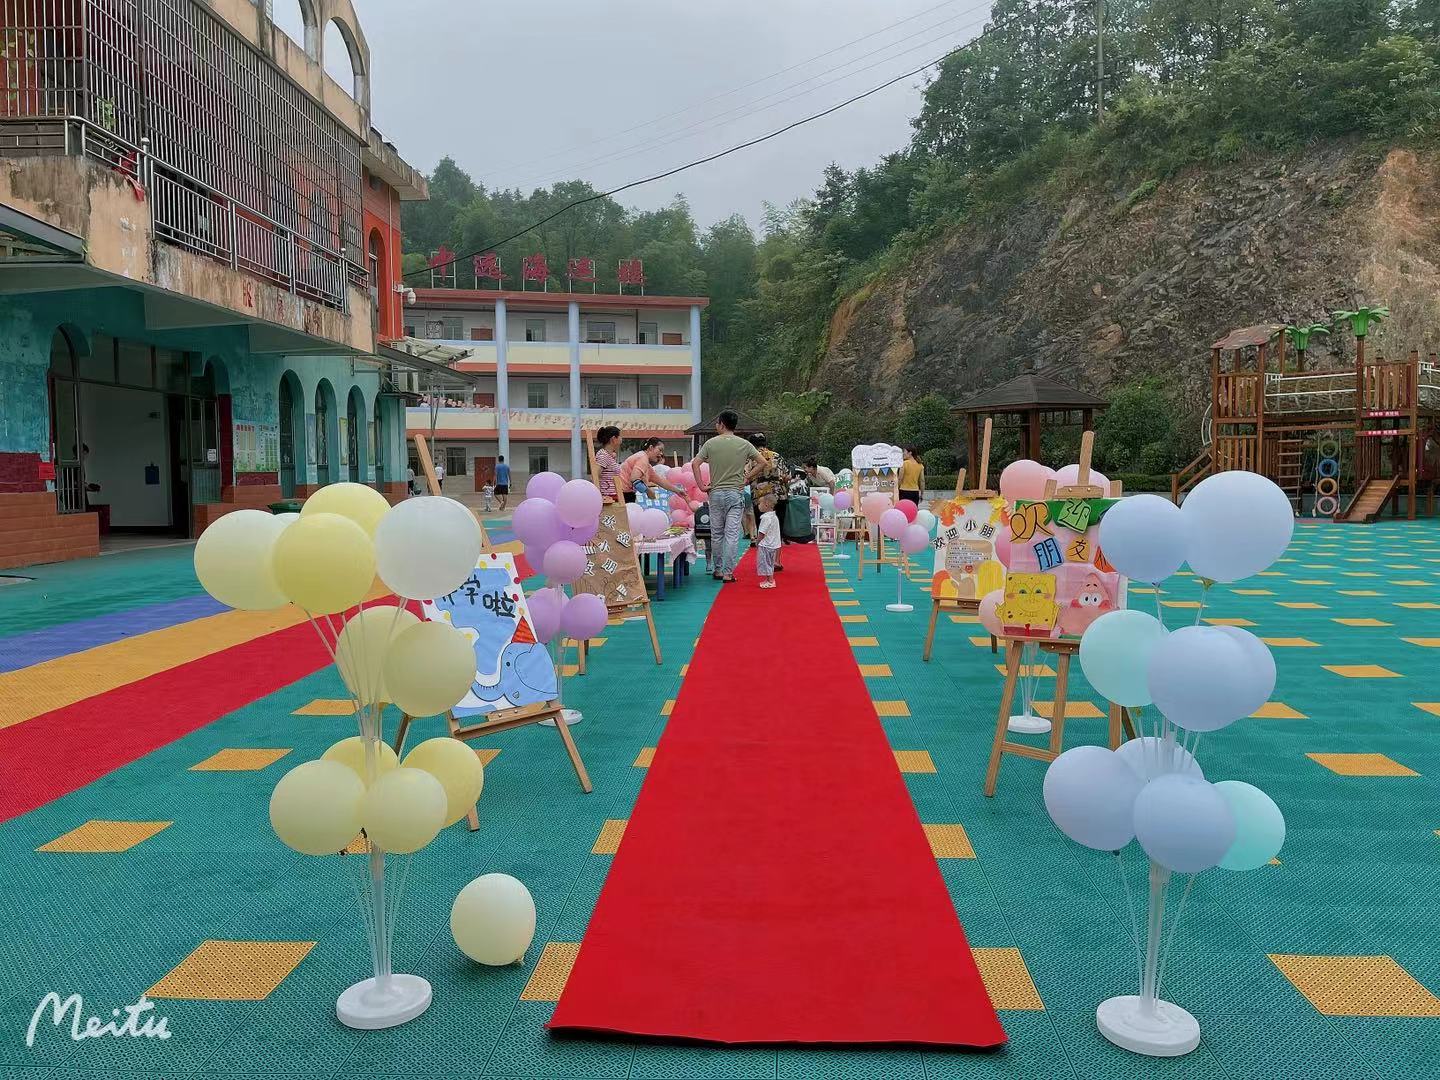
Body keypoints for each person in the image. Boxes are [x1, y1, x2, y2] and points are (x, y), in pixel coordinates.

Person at [692, 410, 760, 583]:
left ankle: (718, 569)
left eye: (717, 423)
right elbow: (763, 463)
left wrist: (701, 486)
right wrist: (746, 478)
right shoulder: (744, 444)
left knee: (717, 534)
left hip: (715, 493)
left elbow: (695, 464)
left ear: (722, 424)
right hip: (735, 493)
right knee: (731, 535)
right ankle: (729, 573)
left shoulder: (710, 444)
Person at [744, 433, 789, 570]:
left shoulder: (750, 458)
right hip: (779, 497)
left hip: (760, 499)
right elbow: (786, 476)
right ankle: (776, 561)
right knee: (777, 529)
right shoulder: (777, 456)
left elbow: (745, 477)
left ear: (751, 445)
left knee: (763, 529)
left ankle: (766, 561)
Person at [619, 436, 687, 503]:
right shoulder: (643, 458)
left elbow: (660, 481)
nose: (661, 454)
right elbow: (634, 479)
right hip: (622, 493)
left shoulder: (646, 463)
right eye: (660, 450)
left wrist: (677, 490)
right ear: (651, 447)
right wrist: (648, 491)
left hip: (624, 492)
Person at [756, 495, 781, 589]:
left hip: (766, 544)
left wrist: (758, 541)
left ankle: (770, 580)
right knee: (769, 562)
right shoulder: (774, 517)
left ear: (766, 505)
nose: (758, 505)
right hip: (772, 544)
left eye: (760, 503)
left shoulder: (766, 518)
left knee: (766, 563)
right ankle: (768, 579)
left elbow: (762, 532)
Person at [594, 426, 622, 503]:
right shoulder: (603, 455)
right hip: (608, 498)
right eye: (620, 436)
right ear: (613, 439)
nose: (621, 439)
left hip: (614, 496)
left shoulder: (609, 455)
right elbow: (595, 476)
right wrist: (601, 496)